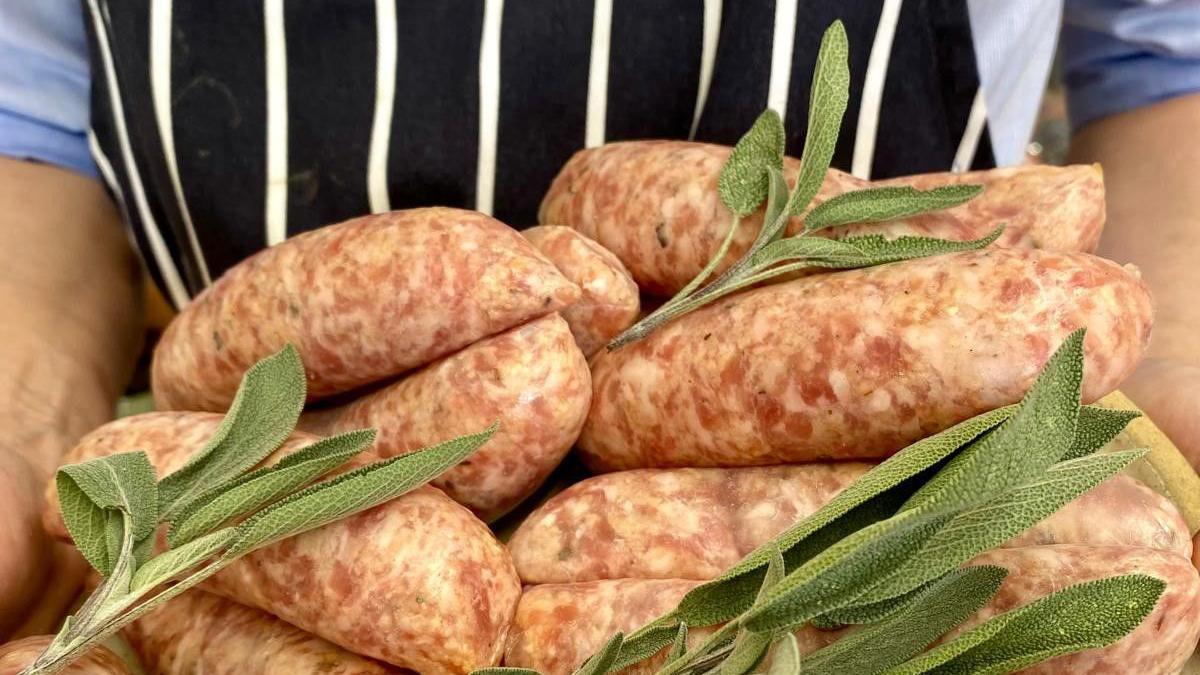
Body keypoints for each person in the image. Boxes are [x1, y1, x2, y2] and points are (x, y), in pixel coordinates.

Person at [1, 0, 1198, 636]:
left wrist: (1182, 365)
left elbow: (1167, 63)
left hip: (923, 465)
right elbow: (33, 136)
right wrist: (19, 430)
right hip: (236, 408)